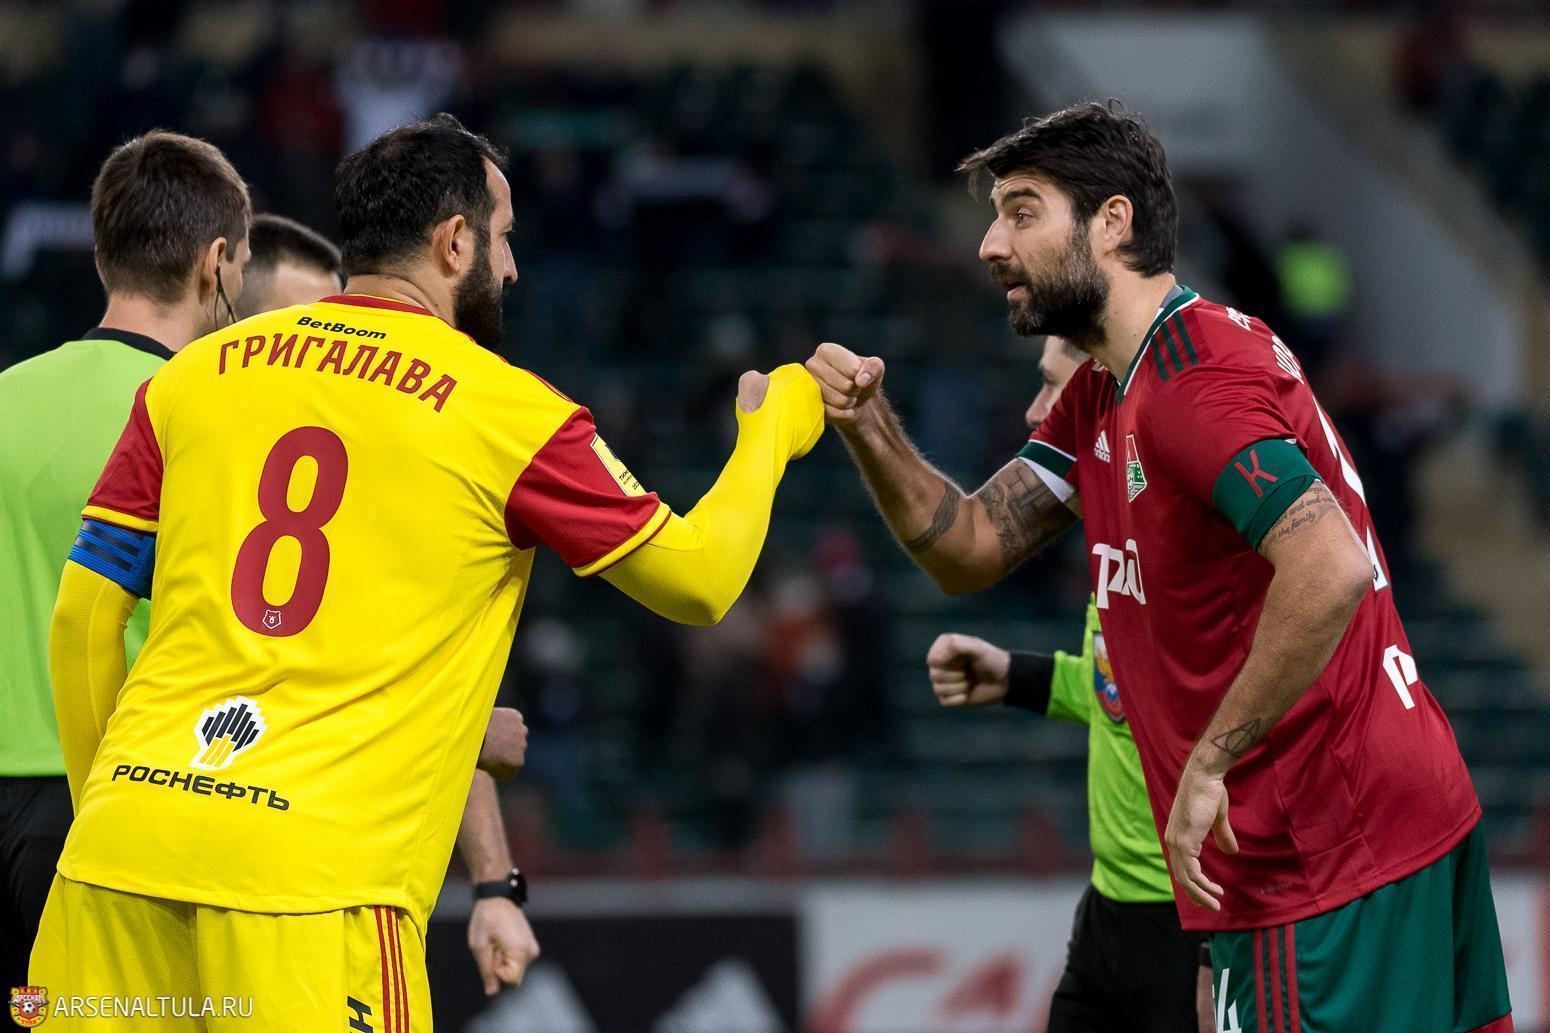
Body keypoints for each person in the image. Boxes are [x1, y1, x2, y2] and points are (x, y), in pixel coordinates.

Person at [33, 113, 822, 1031]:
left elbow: (82, 618)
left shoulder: (190, 377)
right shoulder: (506, 411)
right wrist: (774, 427)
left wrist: (105, 811)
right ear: (455, 242)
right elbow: (700, 580)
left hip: (115, 860)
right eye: (505, 236)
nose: (512, 266)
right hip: (313, 890)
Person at [807, 102, 1510, 1033]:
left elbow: (1329, 564)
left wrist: (1209, 763)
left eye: (1022, 212)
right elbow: (971, 545)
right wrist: (871, 428)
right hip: (1375, 828)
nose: (989, 244)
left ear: (1112, 222)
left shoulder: (1188, 382)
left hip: (1322, 853)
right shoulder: (1110, 384)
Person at [236, 209, 540, 997]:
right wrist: (461, 729)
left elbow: (419, 664)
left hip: (307, 866)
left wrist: (494, 883)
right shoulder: (193, 448)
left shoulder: (357, 471)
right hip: (245, 864)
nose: (331, 347)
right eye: (304, 324)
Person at [0, 130, 251, 988]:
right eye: (243, 260)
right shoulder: (208, 421)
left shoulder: (5, 397)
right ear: (215, 263)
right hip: (115, 797)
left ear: (105, 253)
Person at [927, 336, 1207, 1033]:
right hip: (1109, 911)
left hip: (1190, 926)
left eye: (1053, 386)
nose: (1035, 411)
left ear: (1100, 390)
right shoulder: (1117, 532)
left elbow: (1255, 725)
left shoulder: (1184, 542)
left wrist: (1214, 948)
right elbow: (1126, 696)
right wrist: (1016, 676)